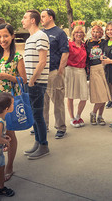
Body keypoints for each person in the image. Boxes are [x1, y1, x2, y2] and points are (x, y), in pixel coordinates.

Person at [0, 23, 27, 180]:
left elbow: (23, 80)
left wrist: (8, 77)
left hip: (8, 103)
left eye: (5, 36)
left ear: (12, 36)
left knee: (9, 134)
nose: (2, 39)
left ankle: (9, 166)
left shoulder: (17, 57)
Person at [22, 10, 50, 159]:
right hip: (30, 82)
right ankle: (38, 142)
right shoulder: (30, 38)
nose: (22, 20)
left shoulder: (41, 36)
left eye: (25, 18)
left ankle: (44, 145)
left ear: (33, 20)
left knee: (38, 115)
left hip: (37, 83)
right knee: (33, 115)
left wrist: (32, 80)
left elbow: (42, 61)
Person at [40, 9, 69, 139]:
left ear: (50, 18)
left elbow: (65, 52)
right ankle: (43, 126)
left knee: (57, 101)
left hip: (54, 72)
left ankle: (61, 127)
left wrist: (60, 71)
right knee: (43, 102)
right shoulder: (40, 33)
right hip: (41, 73)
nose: (41, 19)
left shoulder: (59, 33)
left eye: (43, 16)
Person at [86, 21, 111, 126]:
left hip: (104, 68)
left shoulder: (104, 42)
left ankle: (100, 116)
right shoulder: (87, 43)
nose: (95, 34)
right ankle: (94, 113)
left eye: (98, 32)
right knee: (101, 94)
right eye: (94, 31)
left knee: (105, 94)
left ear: (101, 34)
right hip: (93, 69)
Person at [65, 25, 89, 128]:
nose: (79, 34)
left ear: (83, 35)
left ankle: (78, 116)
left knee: (84, 96)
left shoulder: (85, 46)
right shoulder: (69, 45)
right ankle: (72, 118)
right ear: (73, 34)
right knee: (70, 96)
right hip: (70, 70)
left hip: (81, 71)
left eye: (81, 32)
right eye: (76, 32)